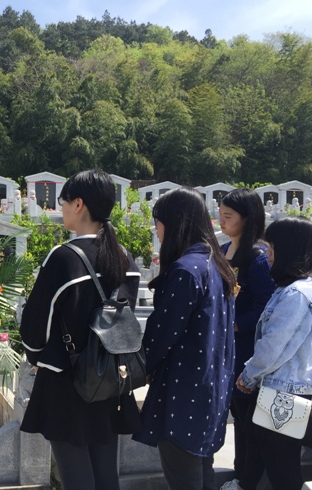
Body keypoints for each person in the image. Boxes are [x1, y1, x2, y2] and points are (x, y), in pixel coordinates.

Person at [20, 169, 141, 490]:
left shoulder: (64, 258)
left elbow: (35, 325)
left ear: (78, 204)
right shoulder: (125, 258)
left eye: (63, 202)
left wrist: (36, 357)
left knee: (76, 475)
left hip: (67, 380)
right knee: (105, 472)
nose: (60, 209)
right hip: (111, 378)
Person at [133, 187, 237, 490]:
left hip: (183, 393)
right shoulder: (216, 265)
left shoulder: (186, 270)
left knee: (185, 478)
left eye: (159, 220)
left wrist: (138, 370)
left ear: (175, 223)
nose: (156, 228)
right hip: (210, 389)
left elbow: (162, 333)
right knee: (203, 475)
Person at [236, 216, 312, 490]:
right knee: (272, 467)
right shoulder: (294, 290)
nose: (267, 254)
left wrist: (249, 375)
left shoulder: (295, 295)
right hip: (286, 389)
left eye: (271, 248)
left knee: (283, 475)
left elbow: (274, 346)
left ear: (289, 250)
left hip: (284, 393)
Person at [218, 189, 275, 490]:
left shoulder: (258, 258)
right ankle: (240, 473)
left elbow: (265, 306)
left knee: (248, 417)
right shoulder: (223, 249)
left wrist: (236, 325)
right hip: (225, 347)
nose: (222, 220)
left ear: (247, 218)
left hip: (246, 348)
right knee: (237, 416)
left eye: (228, 216)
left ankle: (246, 478)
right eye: (220, 214)